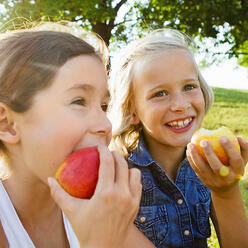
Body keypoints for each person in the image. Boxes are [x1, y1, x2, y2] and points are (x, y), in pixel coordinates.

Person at [0, 24, 149, 248]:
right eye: (79, 101)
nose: (105, 124)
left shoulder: (97, 210)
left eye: (104, 106)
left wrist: (223, 195)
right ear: (7, 124)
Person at [108, 28, 248, 248]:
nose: (181, 105)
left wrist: (226, 191)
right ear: (132, 111)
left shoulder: (208, 164)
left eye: (189, 87)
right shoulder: (119, 174)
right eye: (159, 93)